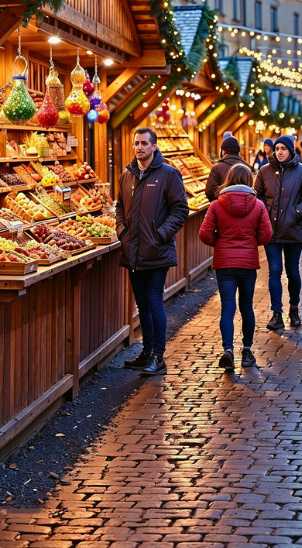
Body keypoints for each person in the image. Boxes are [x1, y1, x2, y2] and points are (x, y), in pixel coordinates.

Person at [117, 127, 190, 377]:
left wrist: (160, 234)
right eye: (136, 143)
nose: (139, 147)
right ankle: (147, 352)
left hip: (156, 251)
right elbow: (119, 206)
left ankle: (159, 357)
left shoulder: (169, 174)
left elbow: (180, 209)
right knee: (142, 305)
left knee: (155, 303)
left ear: (154, 146)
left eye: (144, 143)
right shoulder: (127, 175)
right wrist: (121, 230)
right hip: (133, 250)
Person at [199, 164, 272, 371]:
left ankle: (228, 350)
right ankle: (247, 352)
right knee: (247, 307)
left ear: (228, 179)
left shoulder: (216, 205)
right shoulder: (258, 205)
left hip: (225, 263)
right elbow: (266, 235)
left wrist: (220, 243)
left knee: (227, 308)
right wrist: (251, 243)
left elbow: (204, 233)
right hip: (248, 263)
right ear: (249, 181)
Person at [255, 135, 302, 329]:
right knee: (274, 271)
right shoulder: (265, 171)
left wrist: (296, 213)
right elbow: (256, 196)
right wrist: (264, 215)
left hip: (293, 229)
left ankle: (294, 308)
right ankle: (276, 313)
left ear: (291, 150)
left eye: (283, 148)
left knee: (292, 271)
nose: (280, 152)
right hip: (271, 230)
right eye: (277, 148)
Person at [205, 135, 248, 202]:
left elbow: (210, 192)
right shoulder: (247, 167)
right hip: (245, 208)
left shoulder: (217, 168)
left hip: (222, 207)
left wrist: (219, 204)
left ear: (223, 151)